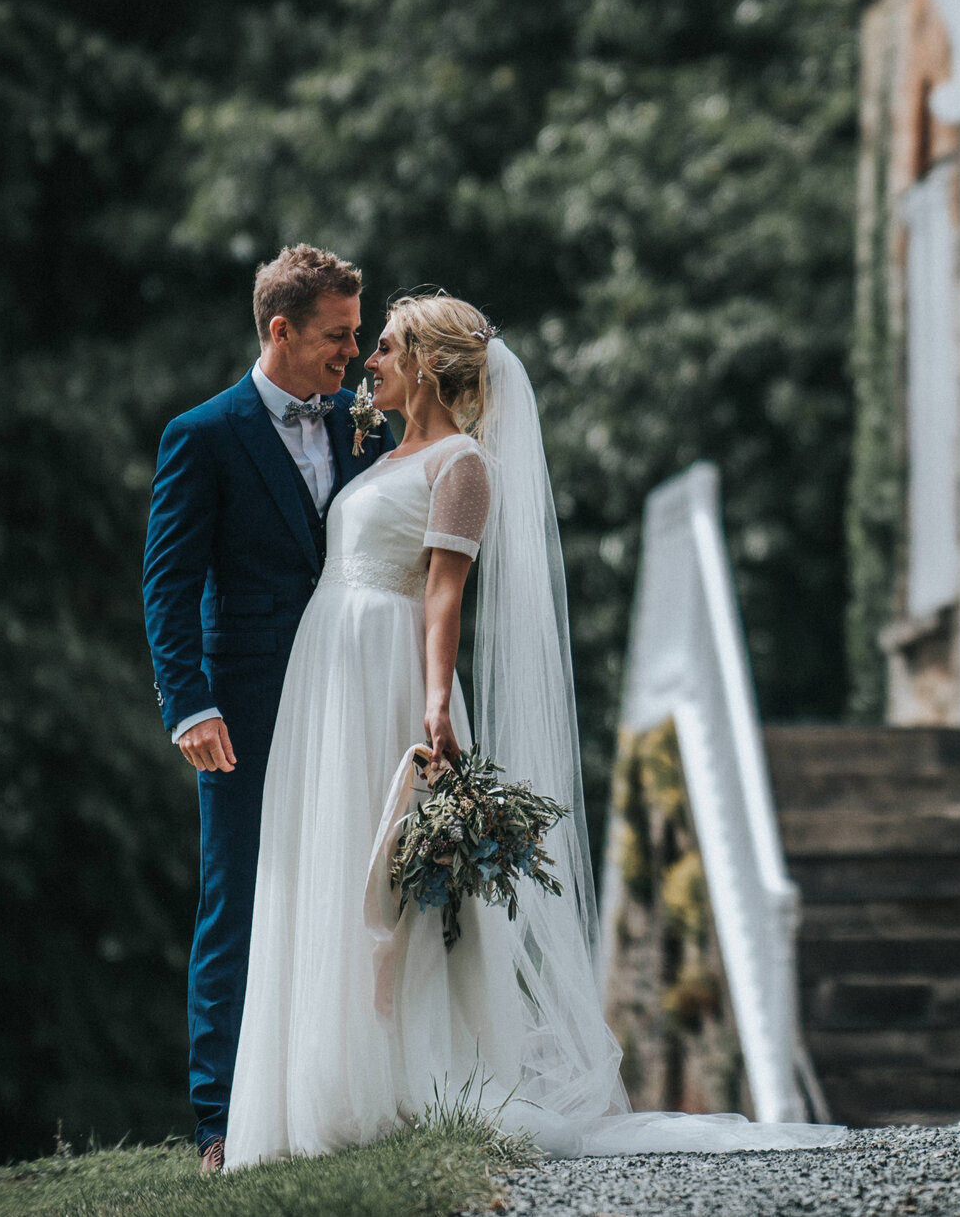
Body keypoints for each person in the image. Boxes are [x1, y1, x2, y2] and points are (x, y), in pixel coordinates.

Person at [225, 293, 841, 1167]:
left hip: (388, 677)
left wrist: (436, 703)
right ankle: (318, 1087)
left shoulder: (464, 464)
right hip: (327, 675)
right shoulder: (382, 451)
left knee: (389, 888)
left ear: (430, 363)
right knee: (328, 867)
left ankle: (400, 1078)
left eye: (388, 345)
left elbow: (445, 593)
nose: (371, 360)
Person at [142, 245, 392, 1175]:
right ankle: (220, 1121)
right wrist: (189, 704)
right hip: (242, 705)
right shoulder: (203, 434)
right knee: (237, 898)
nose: (354, 352)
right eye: (339, 333)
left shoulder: (363, 428)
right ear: (280, 330)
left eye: (359, 333)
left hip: (349, 694)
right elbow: (167, 584)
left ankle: (335, 1088)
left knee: (356, 887)